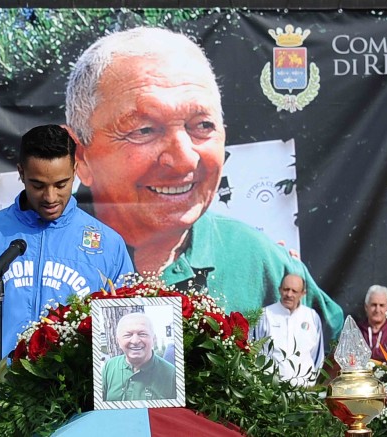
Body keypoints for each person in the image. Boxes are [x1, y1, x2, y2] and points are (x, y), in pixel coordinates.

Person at [65, 26, 344, 339]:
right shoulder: (33, 259)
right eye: (144, 130)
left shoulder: (260, 263)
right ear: (80, 156)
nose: (184, 159)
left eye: (202, 126)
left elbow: (345, 361)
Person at [0, 124, 134, 409]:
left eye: (61, 184)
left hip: (72, 415)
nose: (50, 197)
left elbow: (125, 336)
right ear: (21, 173)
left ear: (76, 170)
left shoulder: (108, 245)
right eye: (38, 185)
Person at [252, 274, 324, 386]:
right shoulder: (265, 315)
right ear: (279, 289)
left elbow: (317, 356)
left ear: (303, 293)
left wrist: (308, 381)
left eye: (294, 291)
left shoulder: (312, 317)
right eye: (286, 289)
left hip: (304, 390)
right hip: (270, 389)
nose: (289, 294)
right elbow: (254, 352)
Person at [102, 312, 176, 402]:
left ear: (154, 339)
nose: (135, 341)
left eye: (142, 334)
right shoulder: (109, 367)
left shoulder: (172, 373)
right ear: (119, 341)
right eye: (128, 335)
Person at [357, 285, 387, 362]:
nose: (377, 310)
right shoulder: (357, 330)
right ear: (366, 307)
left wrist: (365, 354)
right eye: (374, 305)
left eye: (381, 305)